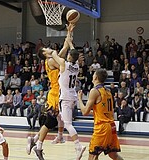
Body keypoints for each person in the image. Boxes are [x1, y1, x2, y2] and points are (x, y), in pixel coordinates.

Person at [26, 24, 75, 160]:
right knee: (50, 121)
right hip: (55, 93)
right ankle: (38, 146)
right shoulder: (51, 61)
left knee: (55, 120)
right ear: (44, 53)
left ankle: (36, 141)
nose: (49, 48)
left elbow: (65, 47)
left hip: (58, 92)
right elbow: (64, 63)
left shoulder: (52, 58)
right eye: (47, 49)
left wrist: (69, 31)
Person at [49, 34, 86, 159]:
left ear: (69, 56)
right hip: (72, 96)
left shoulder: (63, 63)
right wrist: (69, 38)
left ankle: (78, 146)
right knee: (61, 117)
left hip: (65, 97)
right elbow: (73, 52)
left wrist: (51, 51)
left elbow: (55, 55)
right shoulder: (76, 66)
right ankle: (60, 137)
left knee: (68, 124)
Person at [78, 68, 123, 160]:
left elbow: (84, 112)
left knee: (93, 156)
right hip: (111, 126)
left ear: (96, 77)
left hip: (102, 127)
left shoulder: (94, 91)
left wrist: (79, 98)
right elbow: (103, 111)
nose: (93, 75)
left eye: (94, 74)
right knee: (113, 155)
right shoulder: (108, 91)